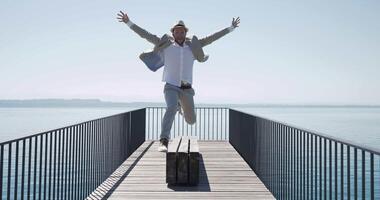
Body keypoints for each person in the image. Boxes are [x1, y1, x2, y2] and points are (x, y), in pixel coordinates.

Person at [117, 11, 240, 152]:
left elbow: (212, 38)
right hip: (171, 86)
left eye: (182, 31)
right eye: (177, 31)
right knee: (171, 107)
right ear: (173, 33)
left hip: (187, 89)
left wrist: (230, 28)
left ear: (185, 33)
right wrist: (129, 22)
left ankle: (180, 105)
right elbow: (145, 35)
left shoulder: (193, 46)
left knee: (191, 121)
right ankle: (164, 140)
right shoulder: (166, 44)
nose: (179, 33)